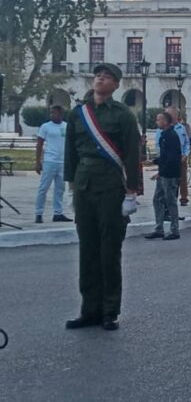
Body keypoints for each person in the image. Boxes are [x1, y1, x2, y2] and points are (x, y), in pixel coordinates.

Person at [64, 63, 140, 331]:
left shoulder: (122, 115)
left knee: (109, 250)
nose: (100, 79)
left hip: (110, 185)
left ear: (116, 85)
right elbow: (71, 151)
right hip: (84, 185)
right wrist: (71, 184)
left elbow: (132, 154)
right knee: (87, 250)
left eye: (107, 77)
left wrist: (132, 191)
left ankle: (110, 311)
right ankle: (89, 309)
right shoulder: (78, 114)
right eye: (98, 75)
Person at [145, 111, 182, 240]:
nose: (157, 122)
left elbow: (172, 158)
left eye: (158, 120)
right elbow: (165, 156)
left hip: (170, 175)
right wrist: (155, 161)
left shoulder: (171, 136)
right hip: (164, 173)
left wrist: (160, 172)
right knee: (157, 199)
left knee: (170, 201)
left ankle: (174, 230)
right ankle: (159, 228)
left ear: (165, 121)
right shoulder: (164, 135)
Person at [34, 105, 72, 223]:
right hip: (50, 161)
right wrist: (38, 162)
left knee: (60, 189)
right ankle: (39, 213)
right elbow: (39, 144)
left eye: (54, 113)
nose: (52, 115)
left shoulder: (66, 126)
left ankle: (58, 213)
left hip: (62, 161)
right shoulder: (45, 127)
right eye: (51, 113)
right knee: (43, 188)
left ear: (61, 114)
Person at [156, 107, 190, 206]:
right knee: (168, 184)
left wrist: (186, 154)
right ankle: (167, 208)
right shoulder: (161, 131)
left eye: (174, 114)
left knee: (181, 181)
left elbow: (187, 142)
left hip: (181, 159)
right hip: (168, 161)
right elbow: (159, 146)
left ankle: (181, 199)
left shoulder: (181, 128)